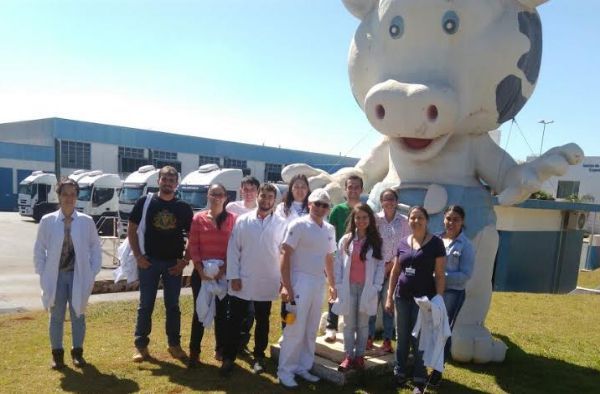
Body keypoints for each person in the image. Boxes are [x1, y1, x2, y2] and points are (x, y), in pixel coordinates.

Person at [34, 178, 102, 369]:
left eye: (73, 194)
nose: (69, 198)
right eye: (65, 194)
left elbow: (95, 247)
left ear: (77, 196)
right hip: (55, 277)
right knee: (56, 316)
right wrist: (42, 271)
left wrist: (92, 270)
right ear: (59, 196)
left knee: (78, 314)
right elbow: (39, 249)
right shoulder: (48, 221)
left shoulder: (86, 222)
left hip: (77, 275)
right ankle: (57, 355)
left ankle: (77, 353)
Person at [129, 166, 193, 363]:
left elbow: (192, 237)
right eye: (164, 178)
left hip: (173, 264)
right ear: (158, 181)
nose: (168, 182)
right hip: (149, 262)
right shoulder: (145, 202)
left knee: (173, 306)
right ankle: (141, 347)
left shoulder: (183, 207)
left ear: (176, 184)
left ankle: (174, 345)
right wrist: (138, 256)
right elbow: (132, 230)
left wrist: (184, 261)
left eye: (172, 180)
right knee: (145, 305)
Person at [222, 183, 287, 375]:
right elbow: (233, 249)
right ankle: (229, 357)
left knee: (262, 321)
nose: (266, 200)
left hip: (267, 280)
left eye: (270, 197)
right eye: (263, 195)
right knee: (234, 320)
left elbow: (284, 253)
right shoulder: (243, 220)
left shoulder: (281, 223)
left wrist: (283, 279)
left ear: (274, 201)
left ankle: (259, 357)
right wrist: (233, 275)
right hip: (242, 279)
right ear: (257, 196)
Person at [277, 188, 337, 389]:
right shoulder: (298, 225)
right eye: (317, 203)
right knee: (294, 328)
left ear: (329, 208)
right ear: (309, 204)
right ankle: (285, 370)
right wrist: (286, 286)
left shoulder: (329, 229)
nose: (320, 208)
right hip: (299, 280)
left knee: (311, 328)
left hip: (318, 282)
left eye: (325, 205)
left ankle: (303, 366)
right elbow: (285, 255)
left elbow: (329, 257)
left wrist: (332, 284)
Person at [385, 206, 446, 394]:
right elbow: (396, 271)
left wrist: (439, 300)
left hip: (424, 300)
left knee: (420, 339)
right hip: (402, 296)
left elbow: (440, 275)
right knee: (402, 337)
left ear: (426, 220)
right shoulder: (403, 242)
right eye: (412, 217)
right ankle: (400, 372)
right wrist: (389, 296)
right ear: (408, 220)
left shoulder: (436, 243)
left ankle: (420, 378)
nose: (416, 221)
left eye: (420, 217)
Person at [187, 183, 236, 369]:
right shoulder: (198, 219)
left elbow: (234, 247)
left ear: (225, 197)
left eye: (220, 194)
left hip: (223, 274)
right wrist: (201, 271)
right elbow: (194, 246)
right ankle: (194, 352)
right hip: (201, 275)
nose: (216, 197)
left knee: (222, 315)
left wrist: (223, 271)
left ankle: (220, 349)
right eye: (213, 194)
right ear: (208, 196)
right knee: (199, 312)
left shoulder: (233, 219)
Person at [332, 204, 384, 372]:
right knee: (348, 324)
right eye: (358, 217)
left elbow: (380, 266)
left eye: (364, 217)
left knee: (363, 325)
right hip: (348, 287)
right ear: (353, 220)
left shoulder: (376, 241)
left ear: (370, 220)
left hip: (366, 289)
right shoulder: (346, 240)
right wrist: (338, 284)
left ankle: (360, 355)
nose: (361, 221)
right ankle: (348, 355)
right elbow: (338, 264)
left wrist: (376, 286)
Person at [429, 205, 475, 386]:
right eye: (449, 219)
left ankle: (437, 371)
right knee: (430, 329)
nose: (451, 223)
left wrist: (440, 278)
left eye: (456, 219)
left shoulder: (467, 246)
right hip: (431, 292)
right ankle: (424, 363)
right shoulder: (436, 239)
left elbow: (465, 275)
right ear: (443, 219)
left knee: (443, 331)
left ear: (462, 222)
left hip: (452, 294)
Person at [368, 188, 410, 353]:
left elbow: (406, 245)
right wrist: (381, 266)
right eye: (385, 199)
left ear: (396, 201)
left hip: (395, 269)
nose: (389, 202)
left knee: (388, 304)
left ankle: (387, 339)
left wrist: (392, 265)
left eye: (392, 199)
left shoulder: (404, 221)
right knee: (372, 304)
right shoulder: (375, 220)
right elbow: (371, 243)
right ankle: (369, 337)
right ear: (381, 202)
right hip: (376, 267)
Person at [325, 175, 364, 343]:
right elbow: (329, 236)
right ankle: (330, 327)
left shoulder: (366, 210)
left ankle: (354, 329)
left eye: (356, 187)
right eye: (350, 187)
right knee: (336, 291)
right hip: (339, 259)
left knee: (357, 295)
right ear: (345, 189)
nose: (353, 190)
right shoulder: (337, 210)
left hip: (359, 261)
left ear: (362, 190)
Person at [226, 175, 260, 354]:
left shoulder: (262, 210)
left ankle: (243, 342)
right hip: (234, 262)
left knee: (251, 309)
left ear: (257, 192)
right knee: (233, 306)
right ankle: (228, 342)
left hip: (254, 265)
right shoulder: (232, 207)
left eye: (252, 189)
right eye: (245, 189)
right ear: (241, 190)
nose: (248, 193)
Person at [274, 174, 310, 327]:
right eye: (296, 187)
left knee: (305, 299)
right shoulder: (283, 208)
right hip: (287, 259)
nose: (300, 190)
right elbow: (277, 234)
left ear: (308, 189)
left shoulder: (313, 207)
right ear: (290, 189)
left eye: (303, 187)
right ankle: (286, 333)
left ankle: (300, 334)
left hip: (306, 262)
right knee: (288, 296)